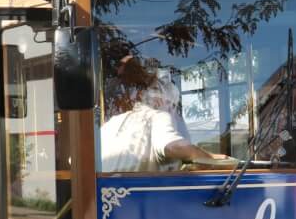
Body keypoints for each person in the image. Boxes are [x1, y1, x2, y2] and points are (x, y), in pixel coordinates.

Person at [100, 66, 234, 173]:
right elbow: (174, 147)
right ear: (158, 101)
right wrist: (210, 158)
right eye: (172, 105)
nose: (174, 112)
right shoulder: (157, 117)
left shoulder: (111, 123)